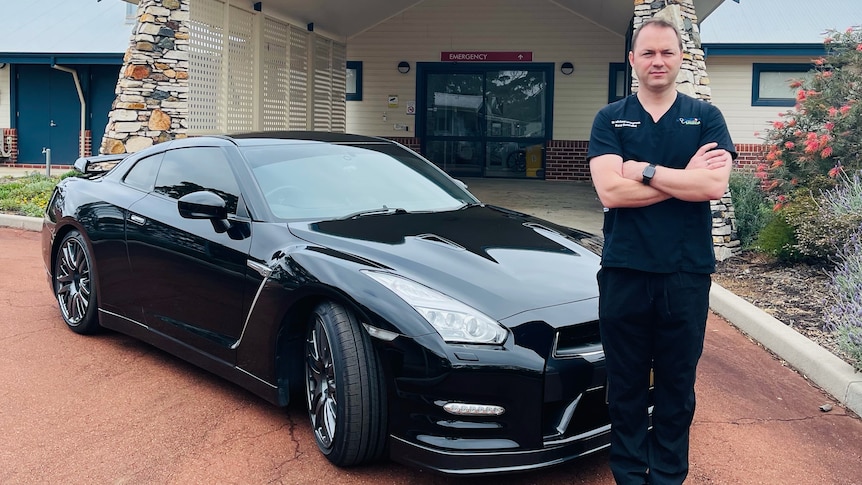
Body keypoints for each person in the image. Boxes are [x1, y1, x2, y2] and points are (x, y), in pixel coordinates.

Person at [587, 18, 736, 485]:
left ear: (680, 58)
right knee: (626, 386)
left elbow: (713, 183)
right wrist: (679, 178)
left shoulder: (705, 118)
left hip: (684, 274)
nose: (657, 61)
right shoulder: (610, 118)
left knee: (677, 387)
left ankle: (668, 476)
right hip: (624, 271)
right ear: (632, 60)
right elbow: (610, 192)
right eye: (647, 53)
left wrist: (644, 170)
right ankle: (630, 476)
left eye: (666, 53)